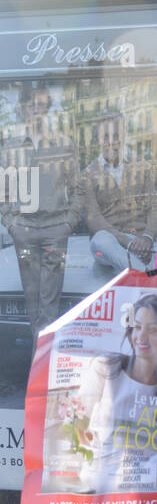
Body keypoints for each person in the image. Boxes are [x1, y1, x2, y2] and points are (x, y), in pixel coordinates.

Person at [74, 292, 157, 493]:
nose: (141, 337)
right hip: (96, 491)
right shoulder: (106, 368)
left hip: (146, 497)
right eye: (137, 327)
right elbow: (76, 426)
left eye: (153, 330)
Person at [0, 81, 83, 352]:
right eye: (31, 104)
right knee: (33, 303)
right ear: (23, 109)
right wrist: (9, 223)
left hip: (55, 228)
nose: (36, 109)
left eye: (41, 104)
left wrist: (69, 222)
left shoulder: (63, 144)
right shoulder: (10, 147)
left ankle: (43, 370)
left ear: (47, 108)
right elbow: (2, 190)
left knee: (50, 305)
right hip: (23, 228)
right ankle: (43, 369)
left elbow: (78, 188)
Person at [82, 112, 157, 272]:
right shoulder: (88, 174)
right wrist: (129, 243)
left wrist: (147, 237)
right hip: (109, 246)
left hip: (141, 242)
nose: (111, 141)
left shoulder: (142, 166)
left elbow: (154, 208)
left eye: (116, 135)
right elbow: (94, 220)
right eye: (105, 136)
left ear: (124, 136)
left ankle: (139, 270)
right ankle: (148, 275)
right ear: (98, 140)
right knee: (100, 239)